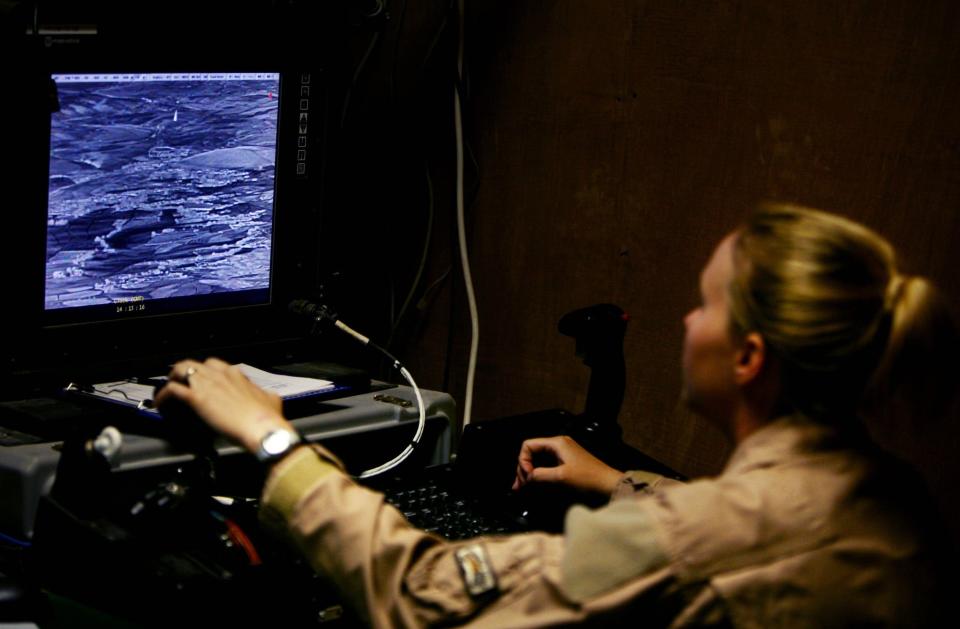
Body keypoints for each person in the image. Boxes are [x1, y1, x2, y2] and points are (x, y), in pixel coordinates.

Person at [155, 204, 954, 627]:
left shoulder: (687, 543)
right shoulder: (897, 503)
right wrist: (620, 482)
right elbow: (753, 541)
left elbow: (423, 596)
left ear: (748, 359)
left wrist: (272, 438)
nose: (683, 322)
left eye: (703, 305)